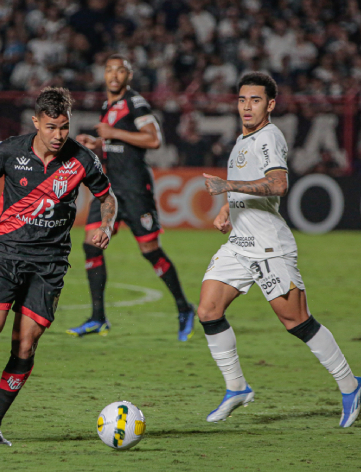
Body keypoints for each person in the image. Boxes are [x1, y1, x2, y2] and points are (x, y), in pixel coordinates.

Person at [199, 72, 360, 426]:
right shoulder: (243, 140)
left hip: (269, 247)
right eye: (242, 99)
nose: (246, 106)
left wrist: (227, 185)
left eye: (255, 100)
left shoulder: (269, 136)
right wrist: (228, 208)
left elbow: (278, 183)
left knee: (296, 320)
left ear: (270, 104)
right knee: (209, 310)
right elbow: (245, 187)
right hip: (239, 244)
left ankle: (351, 385)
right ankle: (236, 387)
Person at [0, 87, 117, 445]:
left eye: (64, 127)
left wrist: (106, 225)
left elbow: (108, 198)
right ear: (36, 123)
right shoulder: (10, 149)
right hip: (6, 253)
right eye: (51, 127)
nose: (59, 135)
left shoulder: (83, 159)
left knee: (26, 347)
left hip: (50, 264)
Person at [68, 54, 195, 341]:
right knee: (91, 246)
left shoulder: (136, 103)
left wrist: (111, 132)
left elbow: (153, 139)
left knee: (151, 252)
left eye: (120, 70)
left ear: (129, 76)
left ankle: (184, 307)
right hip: (109, 190)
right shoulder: (107, 105)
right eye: (109, 70)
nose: (113, 75)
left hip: (135, 190)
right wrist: (99, 143)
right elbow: (118, 142)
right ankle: (98, 317)